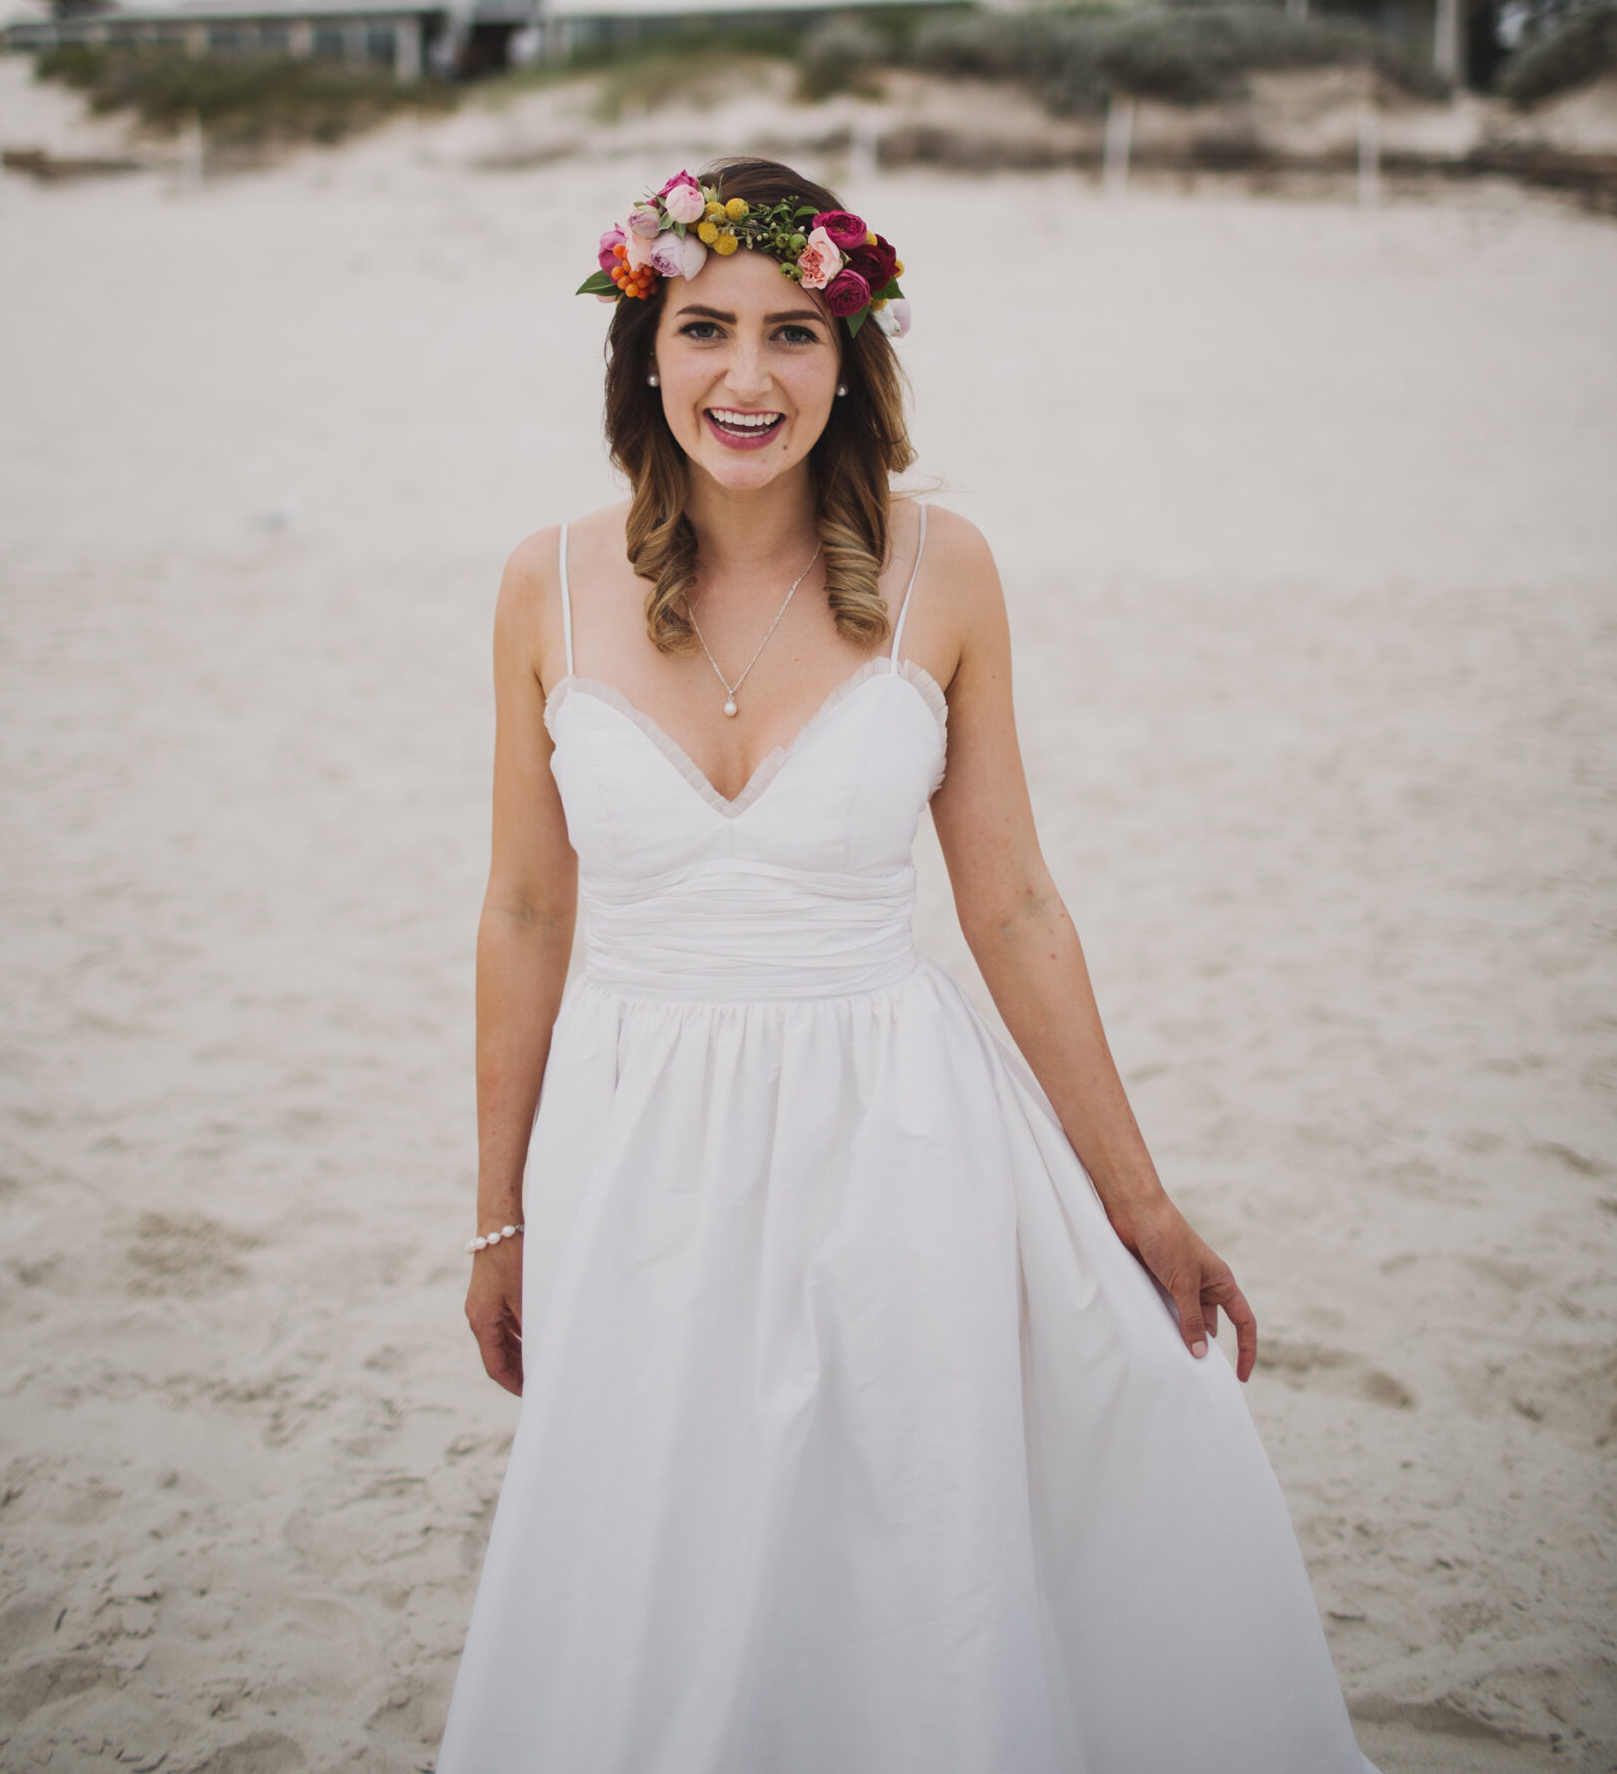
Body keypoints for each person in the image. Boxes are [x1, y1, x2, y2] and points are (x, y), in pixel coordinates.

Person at [436, 157, 1376, 1774]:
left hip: (897, 1134)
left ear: (849, 360)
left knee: (907, 1544)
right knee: (661, 1531)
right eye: (707, 329)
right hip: (636, 1141)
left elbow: (1011, 907)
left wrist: (1140, 1204)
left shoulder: (949, 571)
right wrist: (500, 1215)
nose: (747, 379)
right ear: (642, 347)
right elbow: (526, 911)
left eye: (796, 335)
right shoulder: (549, 585)